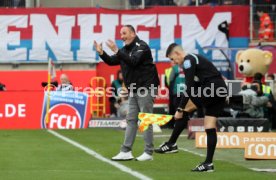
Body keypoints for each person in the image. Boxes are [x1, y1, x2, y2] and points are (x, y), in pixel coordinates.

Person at [94, 25, 160, 161]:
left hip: (146, 87)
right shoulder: (124, 50)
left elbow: (134, 61)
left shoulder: (142, 46)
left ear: (133, 33)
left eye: (124, 33)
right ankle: (126, 151)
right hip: (134, 89)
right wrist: (101, 53)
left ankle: (148, 152)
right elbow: (112, 61)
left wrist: (117, 50)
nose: (121, 36)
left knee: (145, 119)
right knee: (131, 120)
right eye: (120, 34)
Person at [165, 43, 227, 172]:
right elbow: (195, 85)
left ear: (177, 53)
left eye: (172, 59)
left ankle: (171, 143)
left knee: (185, 109)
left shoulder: (188, 60)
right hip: (220, 90)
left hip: (213, 88)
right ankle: (208, 164)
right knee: (209, 126)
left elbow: (188, 87)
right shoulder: (194, 59)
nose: (173, 62)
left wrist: (179, 109)